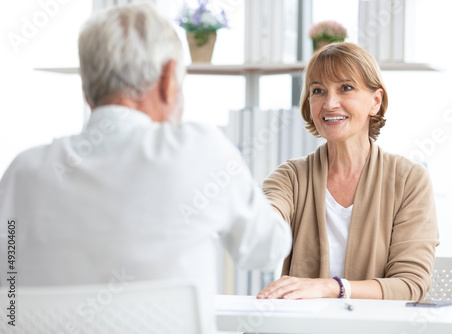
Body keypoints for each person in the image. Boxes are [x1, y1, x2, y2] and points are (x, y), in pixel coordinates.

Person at [0, 3, 291, 332]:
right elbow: (267, 250)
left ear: (86, 90)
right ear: (168, 79)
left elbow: (7, 291)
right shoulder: (199, 150)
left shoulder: (21, 174)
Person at [257, 42, 439, 302]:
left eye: (346, 88)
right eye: (318, 90)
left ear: (375, 101)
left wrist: (332, 288)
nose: (330, 103)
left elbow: (410, 285)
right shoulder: (290, 177)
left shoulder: (409, 180)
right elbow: (266, 222)